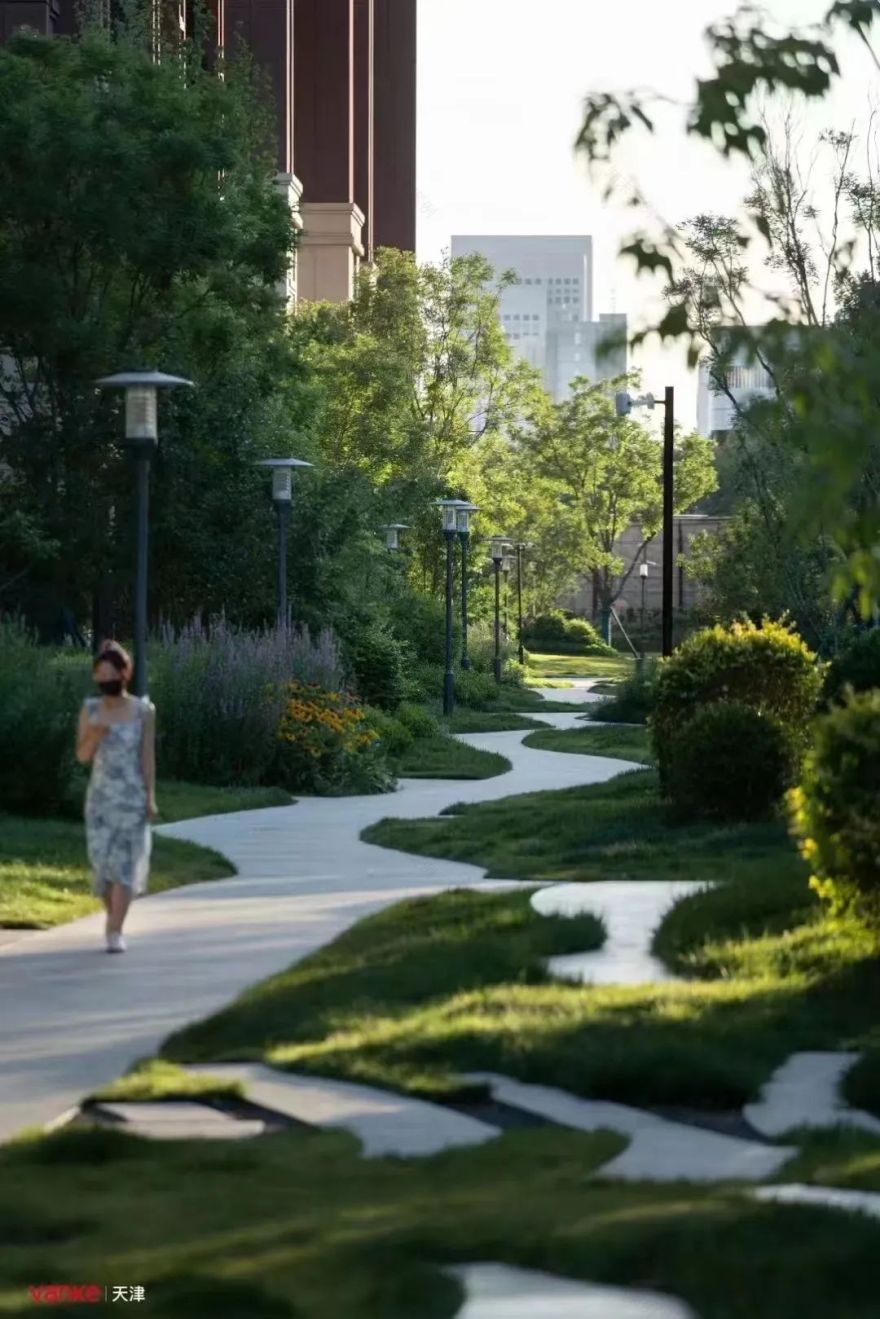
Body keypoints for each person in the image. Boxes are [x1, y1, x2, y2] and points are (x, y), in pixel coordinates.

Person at [75, 641, 157, 953]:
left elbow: (147, 758)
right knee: (103, 868)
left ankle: (115, 929)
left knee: (126, 867)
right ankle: (113, 917)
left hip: (132, 798)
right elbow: (82, 756)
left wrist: (150, 796)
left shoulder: (143, 711)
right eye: (100, 674)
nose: (105, 678)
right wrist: (94, 734)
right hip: (99, 801)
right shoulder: (91, 709)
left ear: (125, 674)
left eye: (110, 673)